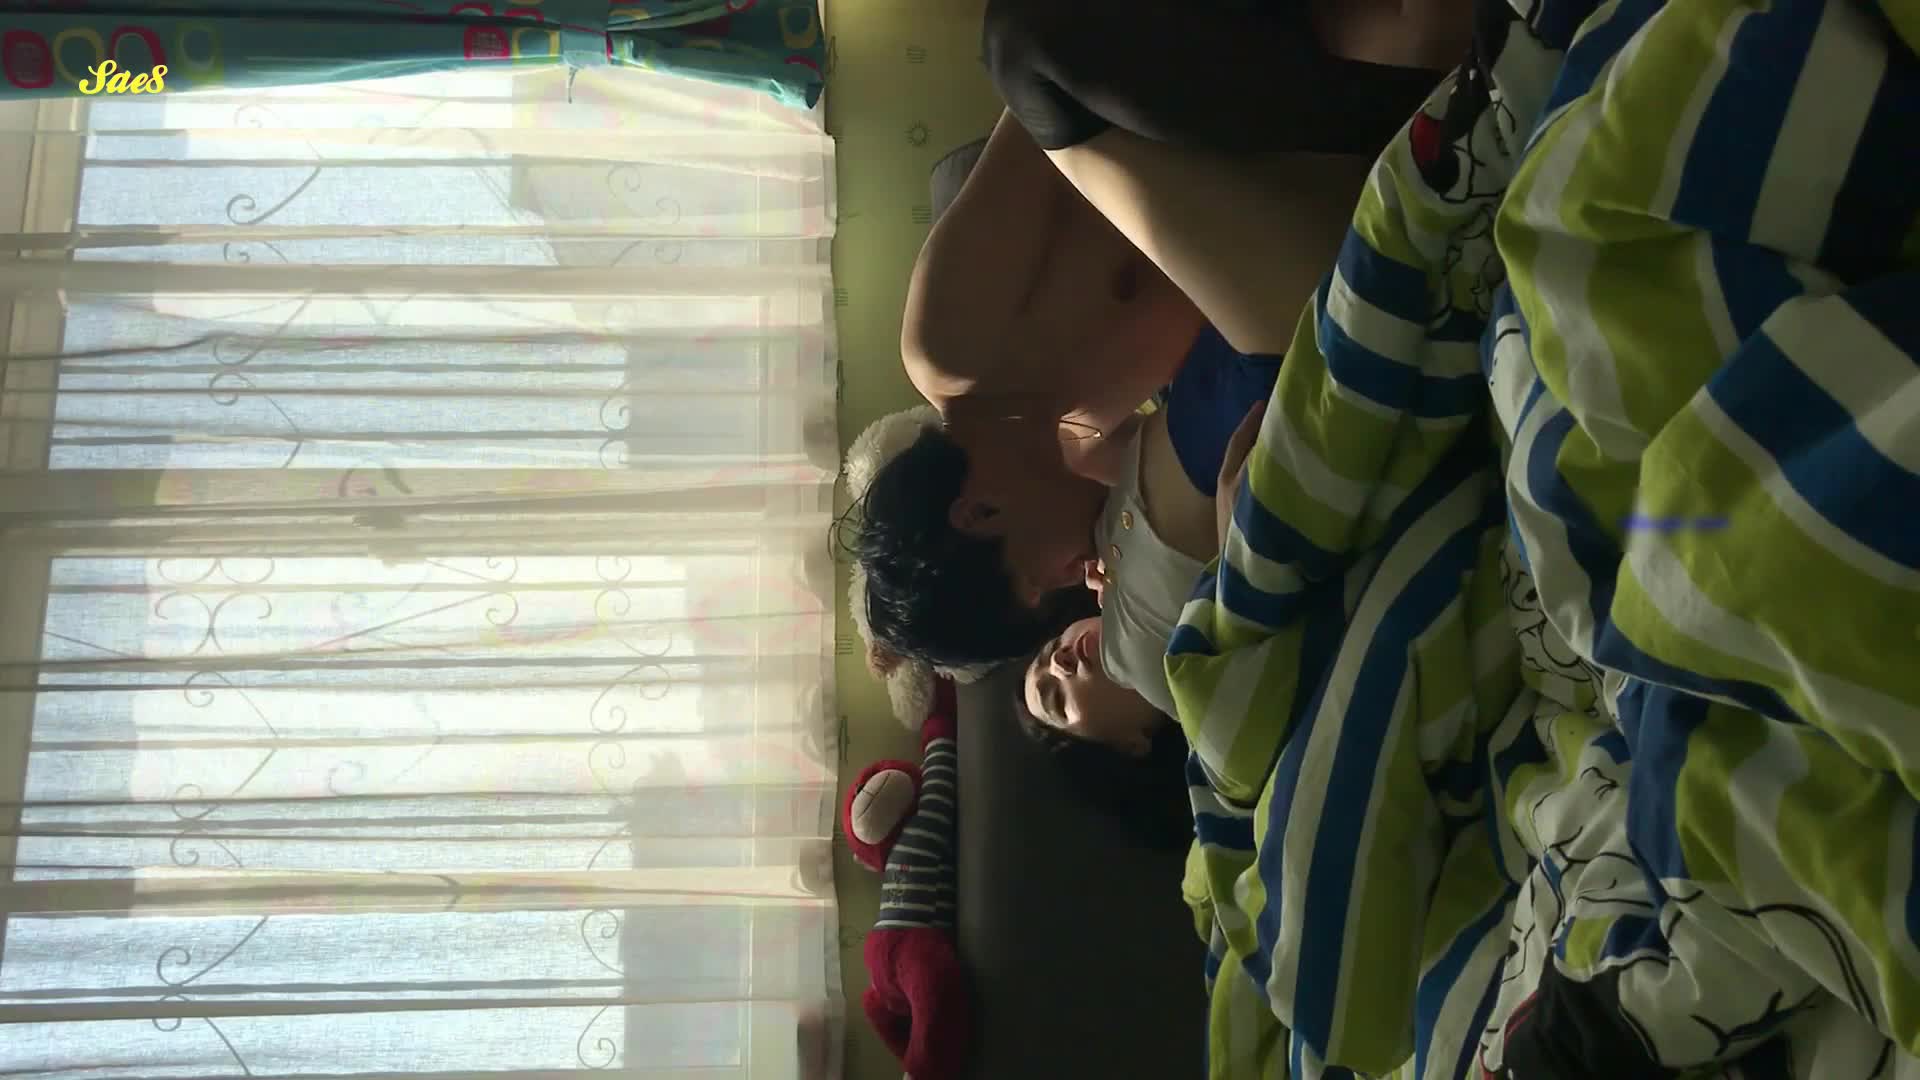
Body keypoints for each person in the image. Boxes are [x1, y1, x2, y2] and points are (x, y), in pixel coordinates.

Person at [854, 0, 1476, 667]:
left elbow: (1039, 108)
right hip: (1293, 195)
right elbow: (1194, 480)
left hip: (1218, 91)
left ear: (979, 512)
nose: (1070, 578)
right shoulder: (1084, 439)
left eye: (1039, 580)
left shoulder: (949, 346)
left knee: (1022, 46)